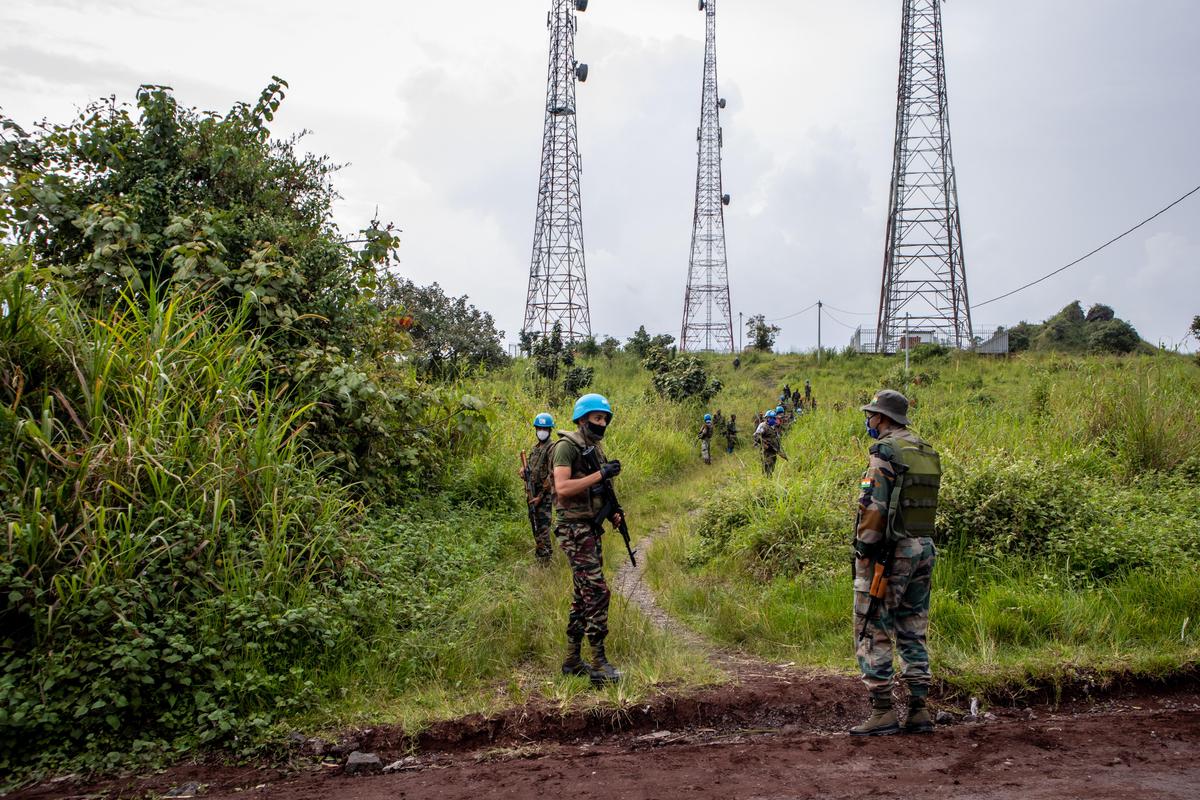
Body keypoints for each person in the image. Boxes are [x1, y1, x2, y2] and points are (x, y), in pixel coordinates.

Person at [850, 390, 941, 736]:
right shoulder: (925, 451)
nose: (869, 420)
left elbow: (874, 507)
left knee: (872, 625)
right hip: (923, 548)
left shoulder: (885, 452)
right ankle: (919, 709)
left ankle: (883, 711)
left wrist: (864, 550)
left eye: (872, 414)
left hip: (890, 553)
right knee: (913, 626)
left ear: (883, 418)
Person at [551, 393, 625, 685]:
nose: (602, 423)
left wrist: (612, 513)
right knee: (597, 591)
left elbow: (598, 492)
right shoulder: (565, 447)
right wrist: (600, 475)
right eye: (597, 418)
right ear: (582, 419)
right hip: (573, 529)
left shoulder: (595, 449)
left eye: (605, 419)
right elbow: (562, 488)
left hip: (589, 528)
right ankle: (598, 663)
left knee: (583, 593)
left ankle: (572, 660)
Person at [522, 412, 557, 564]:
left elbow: (552, 475)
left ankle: (546, 560)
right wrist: (524, 471)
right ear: (536, 429)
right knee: (535, 526)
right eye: (539, 428)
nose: (542, 431)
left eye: (545, 428)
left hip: (543, 496)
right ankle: (540, 557)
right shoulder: (535, 448)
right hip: (533, 494)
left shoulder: (552, 448)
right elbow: (532, 470)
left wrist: (540, 496)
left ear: (550, 430)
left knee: (542, 529)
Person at [756, 410, 783, 474]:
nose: (773, 419)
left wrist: (779, 450)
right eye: (771, 418)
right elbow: (756, 436)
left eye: (774, 418)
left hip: (773, 450)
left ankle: (768, 478)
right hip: (766, 451)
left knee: (772, 467)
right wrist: (764, 444)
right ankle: (766, 479)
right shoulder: (763, 426)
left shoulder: (773, 427)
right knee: (767, 466)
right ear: (767, 418)